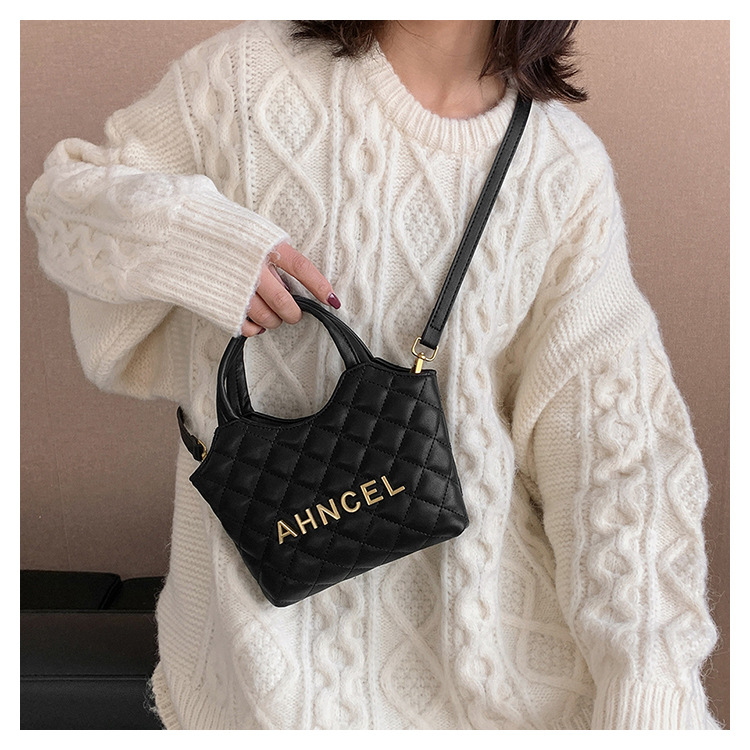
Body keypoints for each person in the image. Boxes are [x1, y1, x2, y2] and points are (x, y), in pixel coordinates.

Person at [25, 20, 719, 730]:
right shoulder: (241, 79)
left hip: (511, 670)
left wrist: (650, 685)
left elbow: (616, 453)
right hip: (266, 668)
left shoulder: (562, 166)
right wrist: (200, 243)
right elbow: (63, 204)